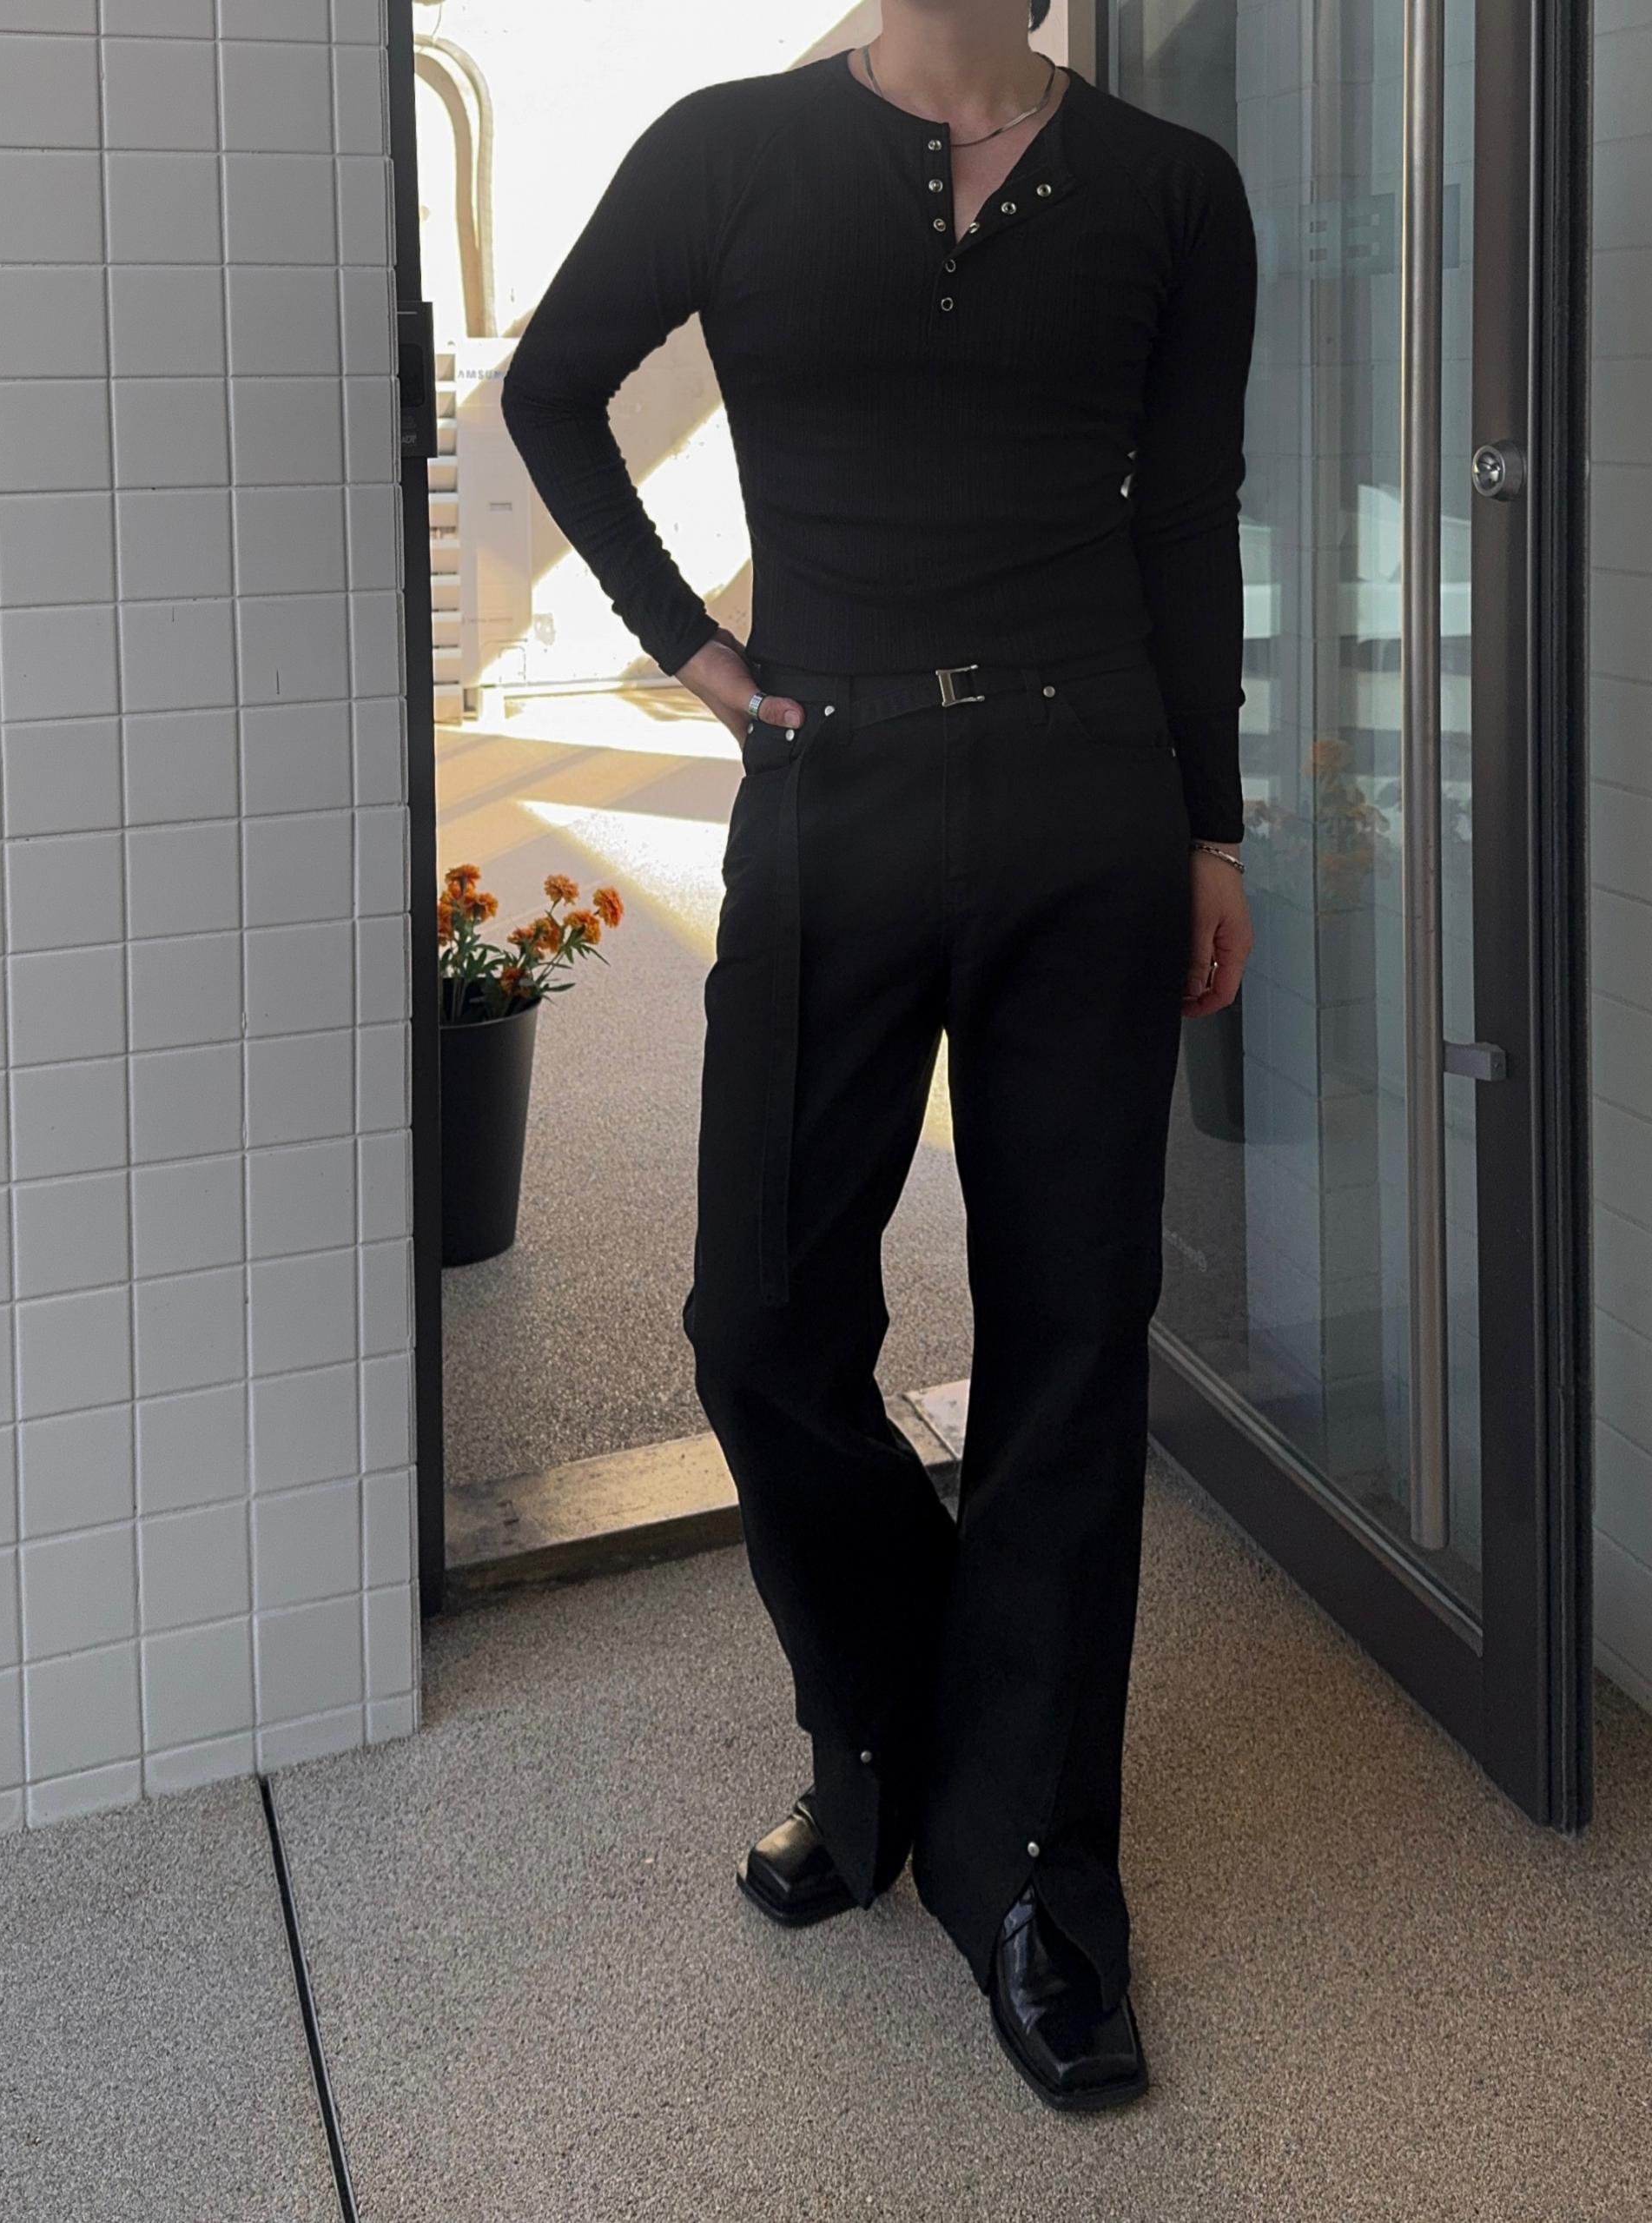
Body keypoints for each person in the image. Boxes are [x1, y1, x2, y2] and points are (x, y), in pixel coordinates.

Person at [501, 0, 1257, 2114]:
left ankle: (1039, 1875)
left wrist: (1210, 829)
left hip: (1092, 806)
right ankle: (889, 1730)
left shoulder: (1175, 191)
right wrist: (697, 655)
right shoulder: (726, 148)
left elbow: (1189, 517)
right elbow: (552, 390)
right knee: (759, 1320)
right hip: (832, 792)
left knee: (1071, 1344)